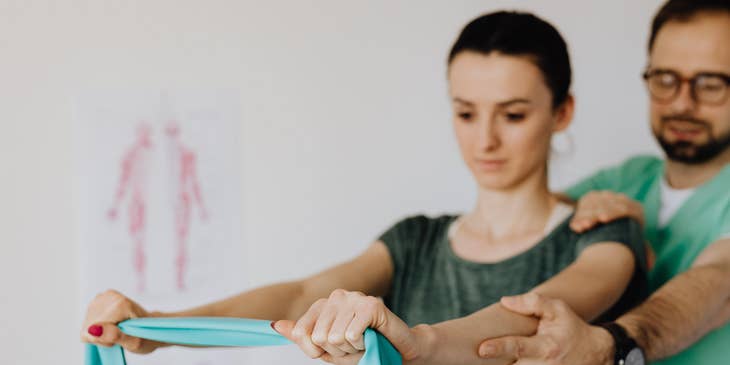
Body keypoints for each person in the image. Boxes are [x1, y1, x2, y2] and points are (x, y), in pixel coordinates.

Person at [81, 11, 647, 365]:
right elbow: (303, 296)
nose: (487, 139)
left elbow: (532, 318)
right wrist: (159, 329)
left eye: (514, 114)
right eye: (466, 113)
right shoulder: (416, 240)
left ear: (563, 111)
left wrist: (416, 345)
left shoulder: (601, 236)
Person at [476, 1, 730, 364]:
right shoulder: (627, 178)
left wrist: (611, 345)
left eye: (709, 84)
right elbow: (530, 222)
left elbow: (719, 283)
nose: (681, 103)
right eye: (666, 79)